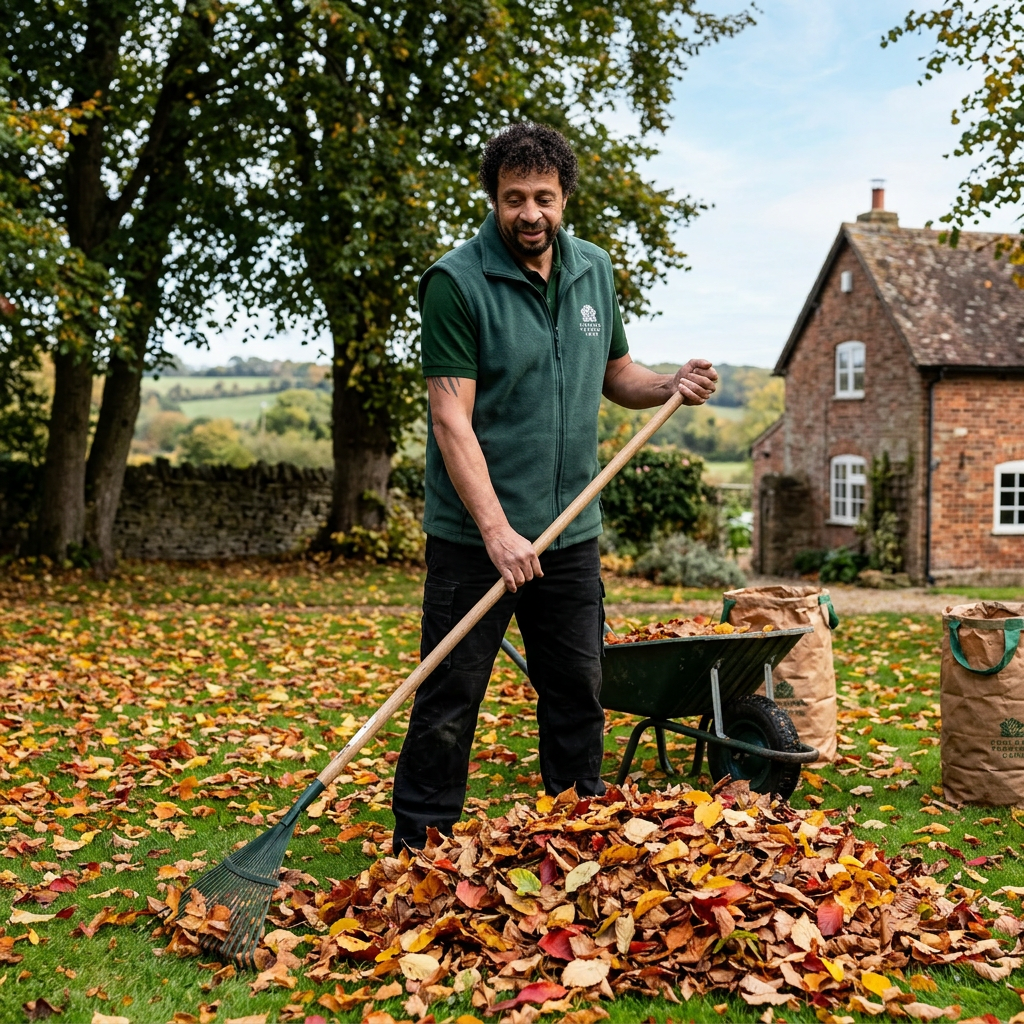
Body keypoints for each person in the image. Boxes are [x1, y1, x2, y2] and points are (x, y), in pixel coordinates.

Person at [390, 122, 718, 850]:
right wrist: (497, 531)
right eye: (514, 199)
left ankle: (576, 837)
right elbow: (451, 420)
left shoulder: (593, 270)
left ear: (565, 198)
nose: (529, 213)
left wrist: (671, 384)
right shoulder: (456, 282)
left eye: (543, 197)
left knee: (577, 694)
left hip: (570, 533)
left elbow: (616, 375)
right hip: (477, 538)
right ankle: (418, 849)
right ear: (494, 200)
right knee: (449, 698)